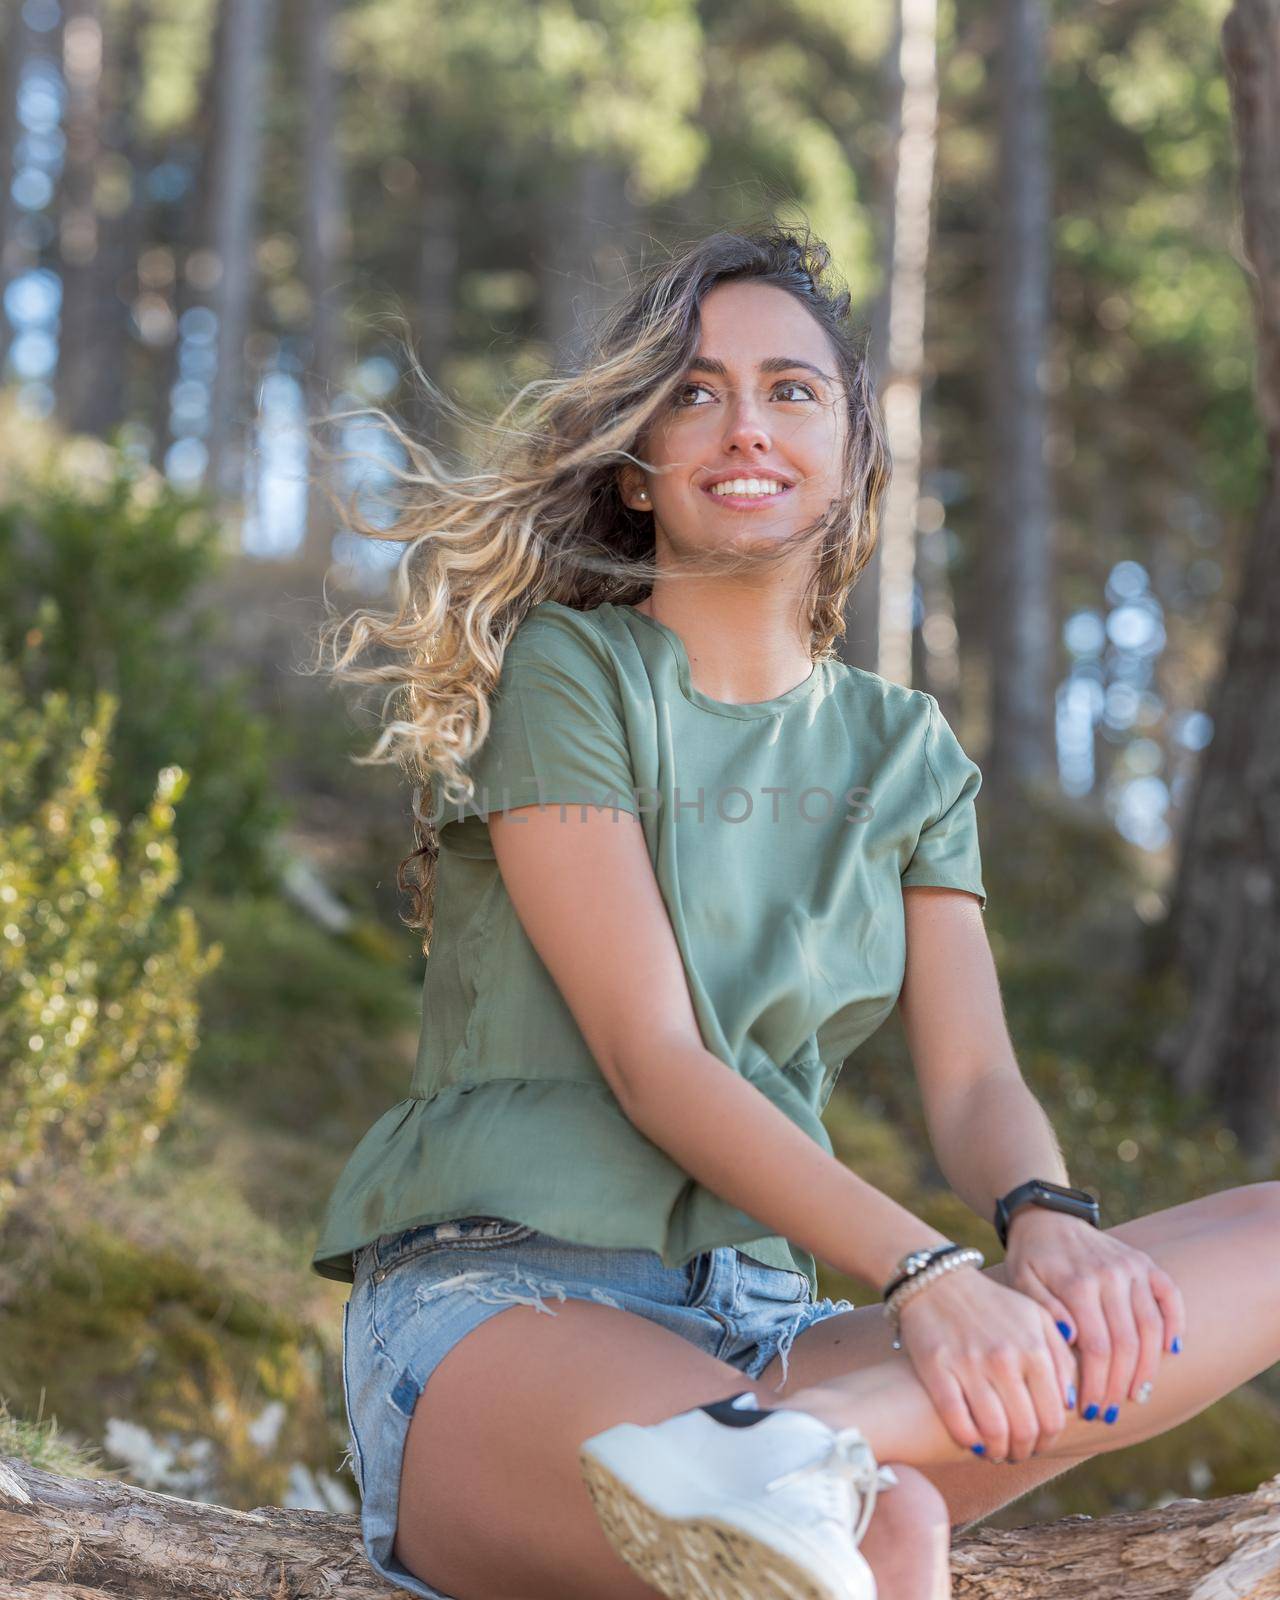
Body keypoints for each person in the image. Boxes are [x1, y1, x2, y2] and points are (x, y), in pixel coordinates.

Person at [306, 226, 1279, 1600]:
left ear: (853, 453)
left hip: (771, 1333)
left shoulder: (907, 751)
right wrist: (931, 1271)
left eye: (790, 389)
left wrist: (1046, 1223)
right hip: (510, 1310)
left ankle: (791, 1446)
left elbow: (979, 1076)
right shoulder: (574, 673)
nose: (742, 425)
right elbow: (656, 1059)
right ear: (637, 468)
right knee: (891, 1541)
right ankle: (775, 1460)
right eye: (693, 393)